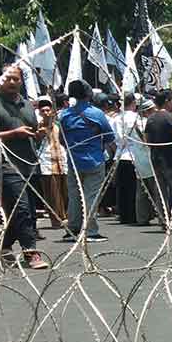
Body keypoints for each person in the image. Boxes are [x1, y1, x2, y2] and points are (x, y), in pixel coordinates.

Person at [0, 65, 48, 267]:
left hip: (29, 164)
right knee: (22, 208)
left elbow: (34, 135)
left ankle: (5, 245)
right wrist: (12, 134)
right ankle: (31, 253)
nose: (13, 82)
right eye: (8, 78)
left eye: (16, 78)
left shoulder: (27, 106)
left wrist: (40, 132)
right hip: (5, 165)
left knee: (24, 209)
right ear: (0, 81)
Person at [59, 80, 115, 242]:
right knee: (91, 196)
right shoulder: (96, 113)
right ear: (88, 93)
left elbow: (61, 139)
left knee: (74, 196)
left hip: (73, 162)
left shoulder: (65, 115)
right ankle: (90, 231)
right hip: (94, 160)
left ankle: (73, 229)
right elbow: (110, 136)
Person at [145, 90, 172, 233]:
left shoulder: (151, 119)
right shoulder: (171, 119)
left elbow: (147, 140)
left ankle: (163, 221)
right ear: (167, 101)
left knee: (161, 192)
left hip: (156, 160)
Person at [35, 95, 68, 230]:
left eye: (48, 110)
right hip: (47, 162)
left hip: (61, 160)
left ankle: (65, 216)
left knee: (64, 191)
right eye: (43, 111)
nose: (46, 113)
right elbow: (36, 143)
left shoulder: (58, 125)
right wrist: (40, 134)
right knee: (52, 193)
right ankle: (55, 219)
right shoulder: (38, 127)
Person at [111, 93, 141, 225]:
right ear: (133, 102)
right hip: (135, 154)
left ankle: (123, 214)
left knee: (122, 187)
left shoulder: (117, 118)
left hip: (121, 154)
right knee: (134, 187)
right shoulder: (136, 117)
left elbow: (113, 139)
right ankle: (134, 213)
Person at [130, 98, 158, 226]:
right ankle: (162, 216)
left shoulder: (135, 122)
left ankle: (142, 217)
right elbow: (148, 141)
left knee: (142, 191)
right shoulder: (147, 123)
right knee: (156, 190)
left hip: (139, 158)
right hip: (149, 158)